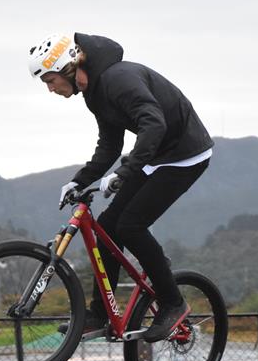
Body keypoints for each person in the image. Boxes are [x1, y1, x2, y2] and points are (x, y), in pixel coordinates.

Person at [29, 32, 213, 342]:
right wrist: (80, 179)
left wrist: (125, 172)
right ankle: (100, 313)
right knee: (108, 226)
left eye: (50, 80)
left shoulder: (119, 79)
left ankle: (173, 303)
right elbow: (110, 145)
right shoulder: (94, 94)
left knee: (131, 226)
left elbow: (154, 123)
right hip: (156, 154)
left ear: (68, 69)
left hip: (185, 154)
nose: (50, 89)